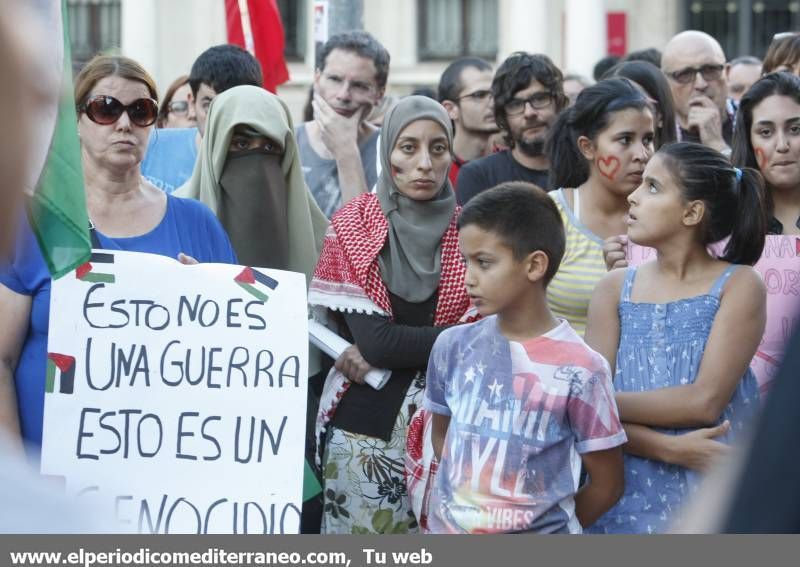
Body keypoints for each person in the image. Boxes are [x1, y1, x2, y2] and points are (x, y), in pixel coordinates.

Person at [0, 55, 236, 458]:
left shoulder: (198, 223)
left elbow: (234, 357)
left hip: (161, 475)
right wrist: (13, 477)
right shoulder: (34, 224)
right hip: (47, 479)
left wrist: (210, 301)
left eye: (140, 111)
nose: (124, 124)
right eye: (106, 109)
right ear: (77, 121)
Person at [308, 96, 472, 534]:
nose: (424, 163)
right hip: (365, 437)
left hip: (450, 437)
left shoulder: (469, 231)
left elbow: (488, 335)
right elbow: (378, 343)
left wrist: (406, 344)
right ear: (387, 155)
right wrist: (458, 337)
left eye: (438, 149)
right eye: (408, 147)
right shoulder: (355, 224)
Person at [585, 142, 766, 534]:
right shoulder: (613, 289)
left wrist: (596, 403)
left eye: (652, 187)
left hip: (711, 487)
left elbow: (704, 402)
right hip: (623, 493)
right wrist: (669, 448)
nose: (632, 195)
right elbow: (588, 420)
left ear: (692, 212)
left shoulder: (739, 285)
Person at [424, 182, 626, 534]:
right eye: (465, 261)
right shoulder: (452, 346)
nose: (468, 278)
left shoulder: (583, 369)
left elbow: (607, 484)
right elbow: (443, 437)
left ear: (534, 265)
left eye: (484, 263)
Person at [545, 78, 655, 335]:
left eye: (648, 139)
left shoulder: (667, 217)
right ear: (588, 147)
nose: (642, 154)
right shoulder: (550, 215)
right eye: (625, 140)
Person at [141, 44, 263, 194]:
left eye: (232, 106)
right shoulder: (150, 145)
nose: (220, 118)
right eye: (209, 105)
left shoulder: (263, 164)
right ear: (192, 102)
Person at [297, 31, 389, 218]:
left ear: (379, 94)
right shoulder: (287, 141)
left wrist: (346, 151)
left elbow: (364, 239)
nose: (343, 95)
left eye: (359, 85)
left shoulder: (390, 149)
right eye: (335, 79)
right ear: (317, 79)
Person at [456, 52, 568, 205]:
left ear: (559, 102)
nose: (529, 113)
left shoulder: (586, 170)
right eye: (515, 105)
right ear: (502, 116)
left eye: (539, 99)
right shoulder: (479, 176)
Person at [732, 72, 800, 236]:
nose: (782, 145)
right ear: (748, 140)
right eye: (766, 132)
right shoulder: (724, 216)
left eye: (795, 129)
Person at [661, 31, 734, 155]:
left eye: (710, 70)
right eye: (685, 74)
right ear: (664, 82)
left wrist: (716, 144)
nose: (700, 84)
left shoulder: (753, 120)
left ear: (727, 73)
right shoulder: (655, 130)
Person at [437, 57, 499, 190]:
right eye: (479, 95)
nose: (493, 103)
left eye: (496, 94)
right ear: (450, 109)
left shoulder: (512, 164)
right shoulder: (435, 171)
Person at [603, 60, 678, 150]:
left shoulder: (684, 162)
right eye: (611, 101)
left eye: (633, 100)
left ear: (660, 115)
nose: (620, 108)